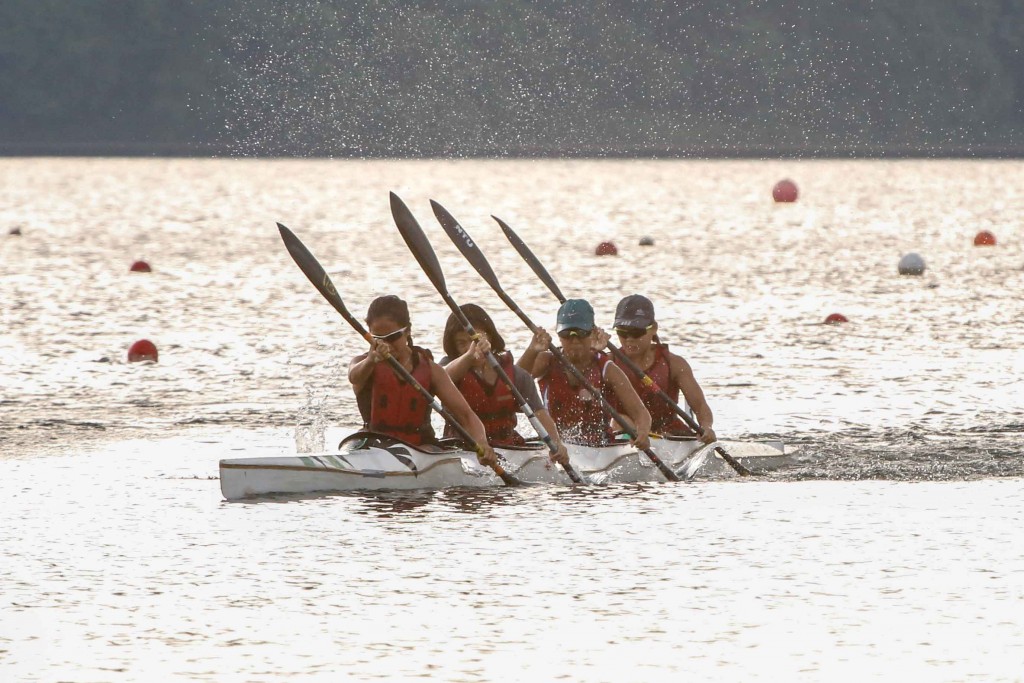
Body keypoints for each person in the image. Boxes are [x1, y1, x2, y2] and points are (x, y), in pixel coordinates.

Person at [347, 295, 497, 467]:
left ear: (407, 331)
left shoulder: (431, 370)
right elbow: (353, 377)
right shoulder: (364, 364)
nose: (386, 344)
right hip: (375, 444)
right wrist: (371, 360)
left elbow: (466, 415)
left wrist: (482, 443)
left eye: (392, 337)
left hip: (420, 447)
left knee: (426, 452)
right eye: (378, 338)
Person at [440, 304, 569, 466]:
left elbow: (539, 413)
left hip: (507, 446)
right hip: (463, 448)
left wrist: (556, 444)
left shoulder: (516, 375)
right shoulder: (449, 368)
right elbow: (442, 378)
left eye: (475, 339)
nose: (470, 347)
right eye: (461, 343)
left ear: (490, 338)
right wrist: (469, 357)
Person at [518, 298, 652, 449]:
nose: (574, 340)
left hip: (600, 446)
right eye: (567, 334)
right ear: (558, 334)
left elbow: (640, 413)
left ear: (592, 333)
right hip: (557, 444)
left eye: (581, 333)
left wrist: (642, 432)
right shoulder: (546, 361)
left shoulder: (607, 368)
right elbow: (514, 384)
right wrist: (531, 351)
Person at [609, 294, 717, 444]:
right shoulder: (608, 363)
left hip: (668, 433)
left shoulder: (675, 364)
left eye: (636, 332)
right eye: (622, 332)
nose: (629, 339)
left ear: (653, 328)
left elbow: (699, 405)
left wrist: (706, 427)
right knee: (620, 421)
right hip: (627, 432)